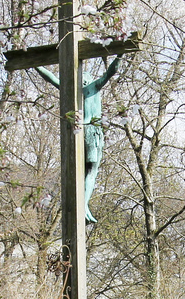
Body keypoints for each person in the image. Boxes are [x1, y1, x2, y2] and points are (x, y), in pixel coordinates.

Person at [33, 55, 125, 225]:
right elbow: (110, 73)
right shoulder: (93, 86)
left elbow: (51, 78)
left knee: (82, 170)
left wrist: (35, 65)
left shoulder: (70, 87)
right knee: (91, 170)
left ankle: (83, 204)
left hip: (75, 130)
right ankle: (82, 205)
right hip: (91, 130)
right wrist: (119, 55)